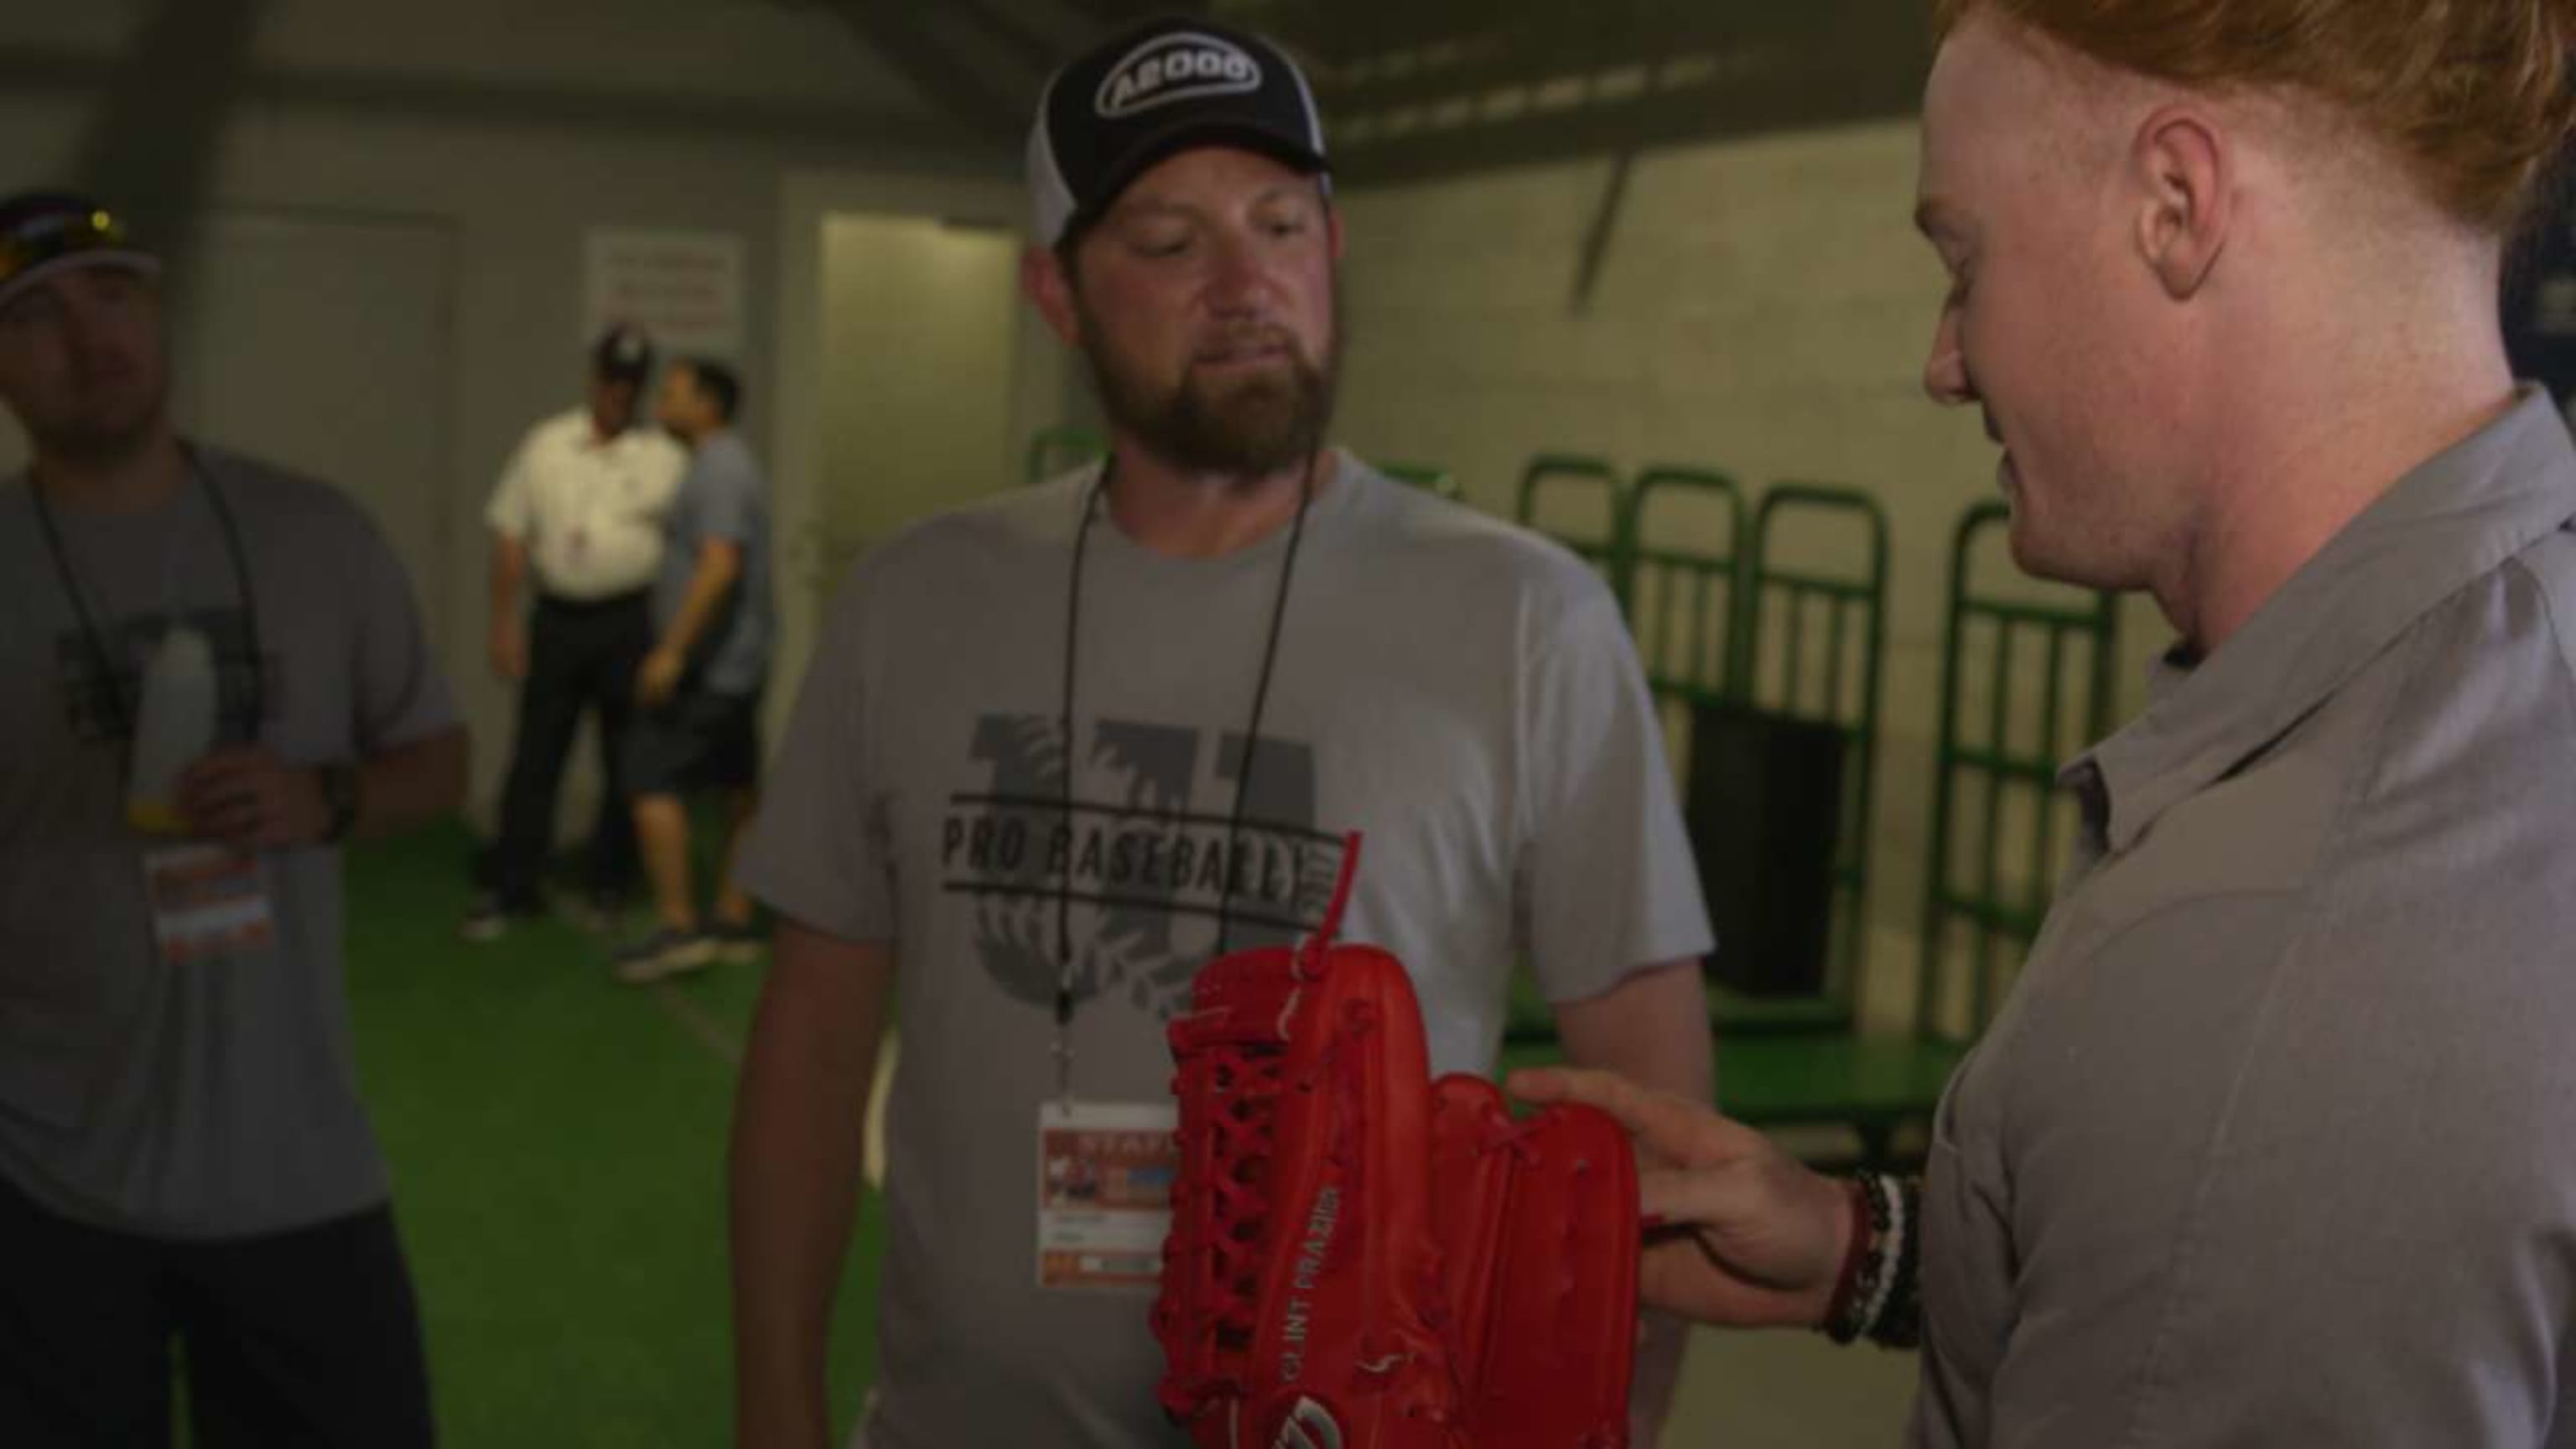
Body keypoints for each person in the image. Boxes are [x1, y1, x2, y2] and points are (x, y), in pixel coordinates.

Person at [1518, 1, 2576, 1443]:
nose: (1944, 359)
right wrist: (1877, 1250)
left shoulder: (2277, 950)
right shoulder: (2508, 660)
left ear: (2174, 205)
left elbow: (2237, 1185)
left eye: (1964, 263)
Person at [727, 16, 1716, 1448]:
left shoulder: (1524, 619)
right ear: (1055, 296)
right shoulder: (913, 604)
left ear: (1334, 243)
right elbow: (810, 1048)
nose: (1247, 283)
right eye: (1169, 241)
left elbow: (1652, 1109)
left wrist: (1617, 1421)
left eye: (1278, 222)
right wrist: (774, 1404)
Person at [0, 190, 468, 1445]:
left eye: (113, 295)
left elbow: (441, 761)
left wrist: (327, 797)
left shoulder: (316, 535)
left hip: (298, 1171)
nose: (88, 337)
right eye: (34, 314)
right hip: (46, 1178)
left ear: (158, 316)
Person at [464, 322, 686, 940]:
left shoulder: (665, 458)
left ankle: (610, 881)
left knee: (625, 758)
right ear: (593, 377)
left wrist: (673, 644)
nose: (621, 391)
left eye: (632, 383)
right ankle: (513, 886)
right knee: (537, 754)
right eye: (612, 378)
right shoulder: (545, 444)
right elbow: (511, 533)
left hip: (628, 623)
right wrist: (504, 621)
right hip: (558, 620)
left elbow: (688, 549)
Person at [614, 357, 774, 984]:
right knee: (739, 789)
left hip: (711, 668)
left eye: (675, 393)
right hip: (737, 664)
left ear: (708, 405)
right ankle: (733, 921)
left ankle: (679, 928)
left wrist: (672, 651)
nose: (662, 400)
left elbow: (719, 565)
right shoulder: (724, 464)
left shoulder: (718, 471)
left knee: (650, 781)